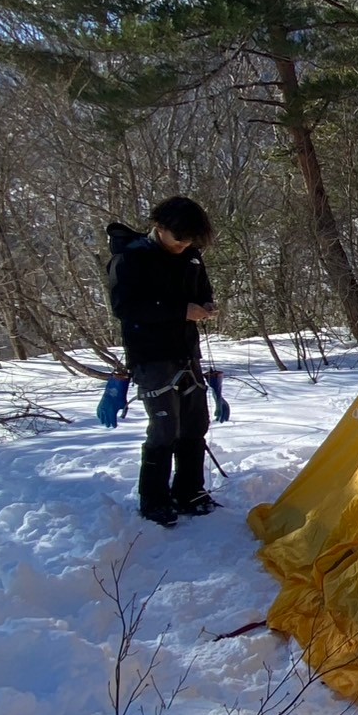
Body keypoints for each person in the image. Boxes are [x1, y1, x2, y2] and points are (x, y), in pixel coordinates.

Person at [105, 195, 223, 527]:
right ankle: (153, 500)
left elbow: (201, 291)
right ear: (159, 227)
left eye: (190, 240)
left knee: (195, 423)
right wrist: (180, 311)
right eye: (179, 238)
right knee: (164, 429)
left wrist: (206, 306)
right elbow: (125, 308)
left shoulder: (191, 257)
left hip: (186, 351)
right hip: (151, 355)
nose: (183, 245)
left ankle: (189, 491)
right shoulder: (130, 259)